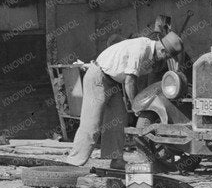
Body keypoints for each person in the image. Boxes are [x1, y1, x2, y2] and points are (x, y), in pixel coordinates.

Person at [66, 31, 183, 167]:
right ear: (162, 50)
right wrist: (136, 106)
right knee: (92, 123)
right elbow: (130, 81)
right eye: (165, 57)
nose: (163, 60)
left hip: (112, 81)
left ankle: (116, 160)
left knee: (118, 120)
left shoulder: (149, 50)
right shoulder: (141, 49)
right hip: (98, 77)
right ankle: (74, 162)